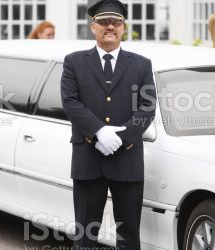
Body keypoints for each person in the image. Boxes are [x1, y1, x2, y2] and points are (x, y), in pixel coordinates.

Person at [60, 0, 155, 248]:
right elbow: (70, 103)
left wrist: (121, 138)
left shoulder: (142, 64)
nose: (110, 26)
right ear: (93, 27)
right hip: (88, 160)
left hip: (127, 159)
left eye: (116, 22)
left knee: (129, 236)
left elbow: (148, 107)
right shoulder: (74, 62)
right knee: (85, 235)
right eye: (104, 22)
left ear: (124, 27)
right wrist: (99, 132)